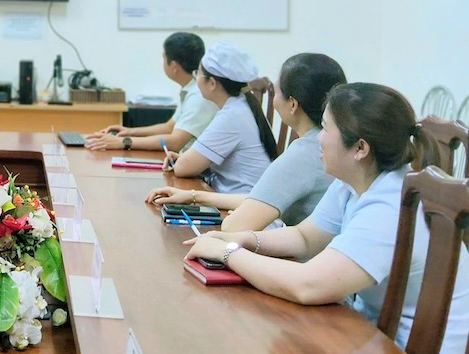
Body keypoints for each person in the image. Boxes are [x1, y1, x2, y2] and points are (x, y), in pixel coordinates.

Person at [183, 82, 469, 352]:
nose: (318, 137)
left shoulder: (388, 206)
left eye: (325, 128)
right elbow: (304, 237)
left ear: (360, 148)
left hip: (399, 345)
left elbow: (308, 285)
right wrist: (243, 239)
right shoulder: (355, 181)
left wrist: (228, 253)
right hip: (370, 330)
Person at [146, 53, 345, 231]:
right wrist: (192, 196)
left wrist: (237, 218)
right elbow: (261, 198)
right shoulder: (330, 143)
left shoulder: (303, 153)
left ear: (292, 104)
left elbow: (235, 226)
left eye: (277, 90)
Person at [162, 41, 276, 194]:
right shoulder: (239, 105)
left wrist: (183, 160)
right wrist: (184, 158)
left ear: (212, 83)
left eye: (198, 74)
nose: (196, 79)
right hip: (236, 202)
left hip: (240, 208)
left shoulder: (231, 116)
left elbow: (183, 168)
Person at [86, 32, 217, 152]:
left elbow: (175, 142)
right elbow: (169, 128)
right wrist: (129, 132)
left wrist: (124, 142)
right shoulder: (191, 89)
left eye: (164, 57)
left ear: (174, 66)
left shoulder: (199, 96)